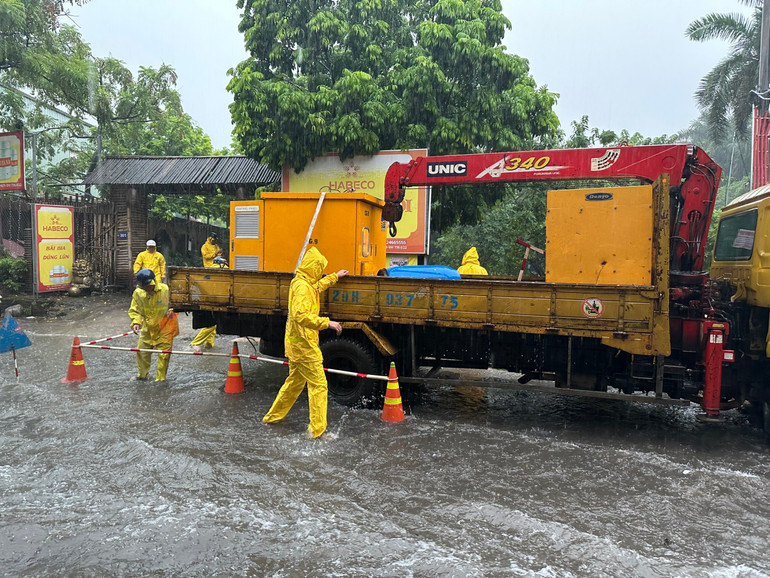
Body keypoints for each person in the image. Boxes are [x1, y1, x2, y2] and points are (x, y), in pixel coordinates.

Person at [263, 247, 348, 439]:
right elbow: (300, 315)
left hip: (297, 344)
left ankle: (272, 417)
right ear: (313, 267)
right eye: (320, 269)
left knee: (294, 383)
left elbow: (316, 287)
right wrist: (327, 323)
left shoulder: (302, 282)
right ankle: (317, 431)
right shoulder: (302, 287)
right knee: (319, 385)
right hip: (304, 345)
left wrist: (334, 277)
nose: (320, 272)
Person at [128, 268, 179, 381]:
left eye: (147, 286)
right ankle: (143, 375)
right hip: (147, 328)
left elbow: (175, 303)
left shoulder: (165, 290)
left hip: (164, 328)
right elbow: (134, 310)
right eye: (143, 287)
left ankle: (160, 379)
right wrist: (136, 322)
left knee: (164, 355)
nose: (146, 289)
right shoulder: (138, 293)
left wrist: (171, 310)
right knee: (142, 352)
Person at [190, 233, 224, 351]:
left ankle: (209, 344)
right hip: (209, 270)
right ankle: (197, 342)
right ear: (210, 238)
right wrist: (215, 254)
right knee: (212, 323)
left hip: (216, 270)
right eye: (213, 240)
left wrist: (219, 253)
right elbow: (206, 256)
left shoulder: (216, 246)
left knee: (213, 321)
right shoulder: (205, 246)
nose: (215, 242)